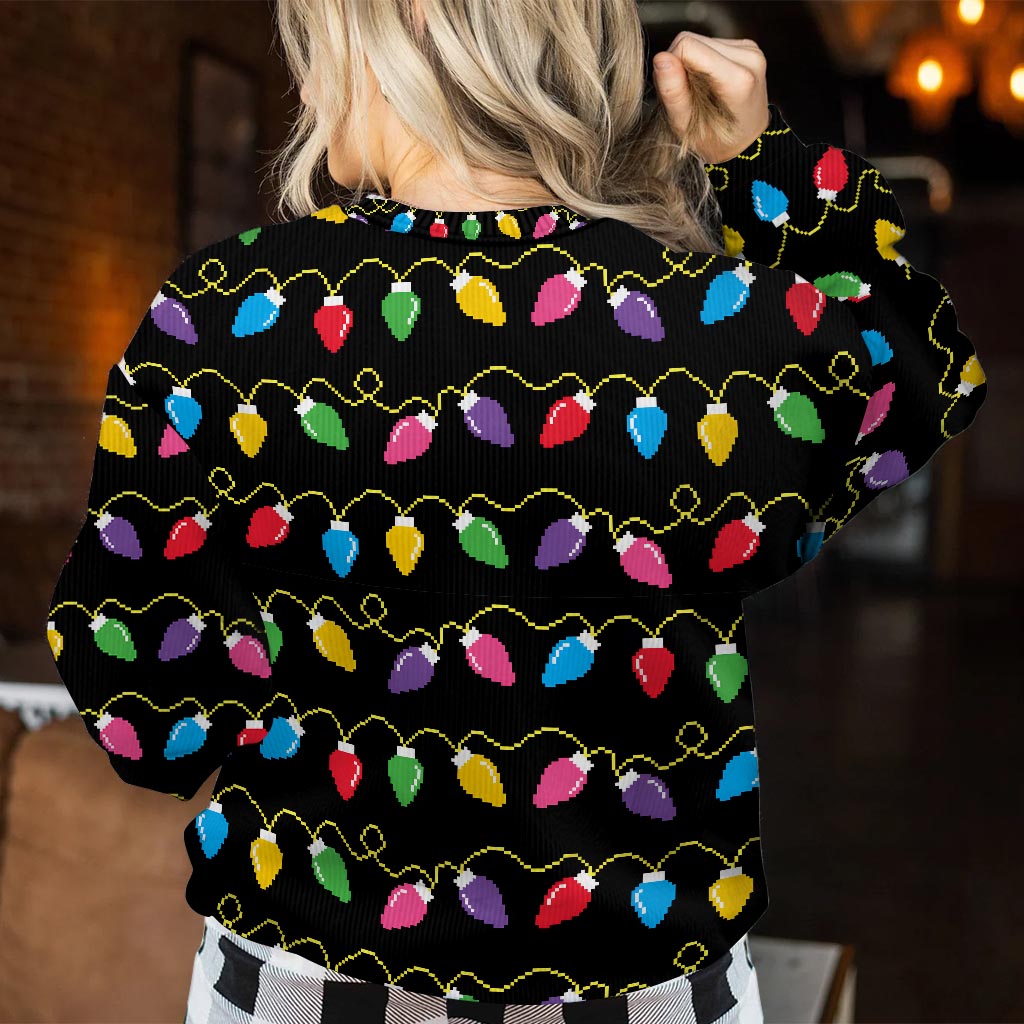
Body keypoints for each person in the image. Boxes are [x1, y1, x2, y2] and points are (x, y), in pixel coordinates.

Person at [44, 1, 987, 1022]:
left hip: (303, 984)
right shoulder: (717, 331)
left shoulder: (224, 319)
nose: (307, 84)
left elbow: (151, 725)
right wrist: (762, 161)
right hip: (642, 991)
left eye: (311, 42)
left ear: (401, 26)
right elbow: (917, 372)